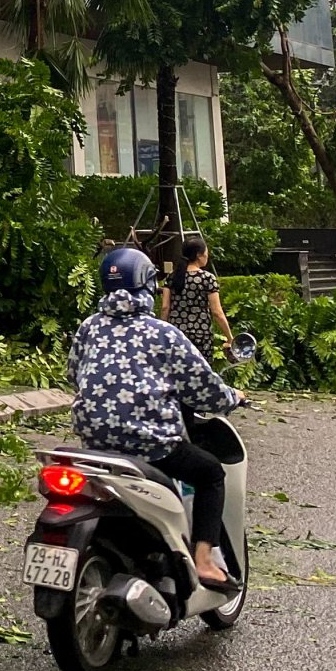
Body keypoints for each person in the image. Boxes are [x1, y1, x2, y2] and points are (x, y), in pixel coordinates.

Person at [70, 246, 245, 590]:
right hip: (148, 445)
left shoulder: (89, 327)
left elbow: (74, 373)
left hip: (95, 444)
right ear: (147, 284)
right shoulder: (163, 334)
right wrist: (232, 397)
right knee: (210, 473)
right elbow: (203, 388)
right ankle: (205, 562)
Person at [161, 235, 233, 362]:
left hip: (176, 335)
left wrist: (163, 333)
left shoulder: (172, 277)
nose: (207, 255)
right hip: (201, 336)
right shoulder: (207, 278)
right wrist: (229, 337)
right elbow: (217, 312)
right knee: (201, 375)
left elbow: (165, 308)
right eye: (206, 252)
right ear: (199, 255)